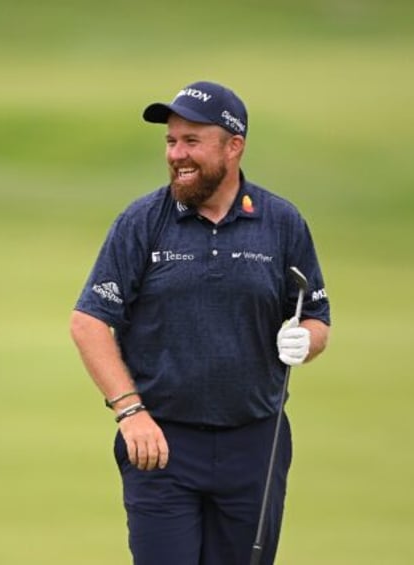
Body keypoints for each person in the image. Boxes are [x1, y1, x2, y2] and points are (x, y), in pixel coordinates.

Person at [69, 80, 331, 565]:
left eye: (192, 141)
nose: (176, 154)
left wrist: (306, 340)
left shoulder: (280, 222)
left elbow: (314, 316)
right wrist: (131, 412)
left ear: (234, 147)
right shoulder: (143, 221)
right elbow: (88, 321)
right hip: (161, 443)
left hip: (256, 441)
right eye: (171, 141)